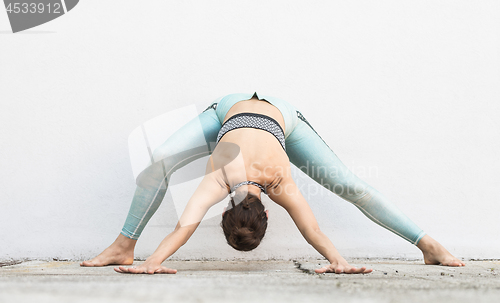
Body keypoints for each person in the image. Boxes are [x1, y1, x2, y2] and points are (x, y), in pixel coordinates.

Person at [81, 92, 465, 274]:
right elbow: (187, 225)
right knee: (159, 159)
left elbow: (185, 228)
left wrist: (339, 261)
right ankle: (123, 247)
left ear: (265, 211)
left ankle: (427, 244)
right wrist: (337, 261)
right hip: (239, 113)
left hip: (278, 118)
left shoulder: (248, 178)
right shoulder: (243, 180)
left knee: (349, 184)